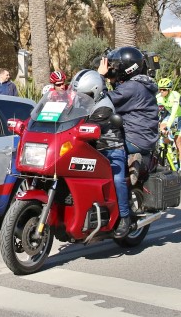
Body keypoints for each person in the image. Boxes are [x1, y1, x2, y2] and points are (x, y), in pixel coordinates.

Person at [97, 46, 159, 228]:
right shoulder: (135, 84)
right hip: (133, 132)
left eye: (116, 66)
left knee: (114, 165)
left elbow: (103, 100)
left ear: (127, 68)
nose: (112, 68)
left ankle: (124, 216)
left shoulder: (133, 87)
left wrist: (99, 76)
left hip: (135, 138)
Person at [72, 69, 131, 239]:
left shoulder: (104, 107)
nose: (82, 97)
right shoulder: (81, 102)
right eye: (79, 94)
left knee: (117, 179)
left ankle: (124, 217)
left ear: (96, 90)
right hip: (91, 149)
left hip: (111, 149)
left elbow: (85, 126)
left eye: (86, 94)